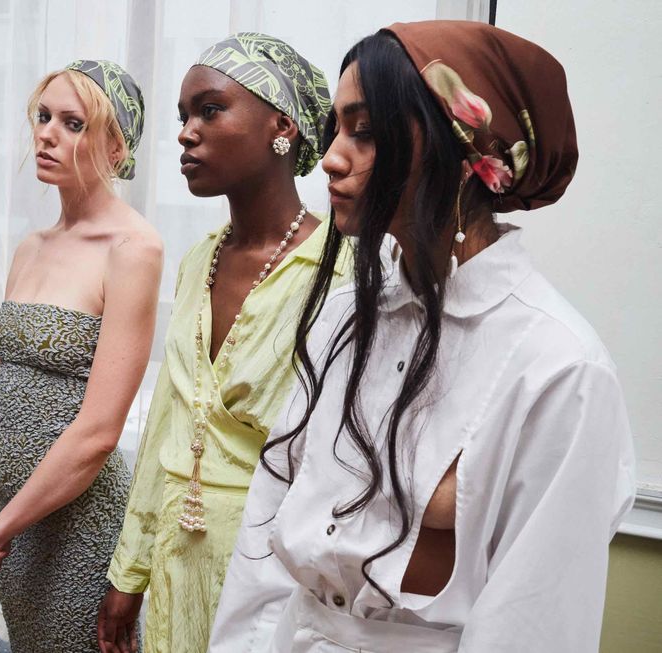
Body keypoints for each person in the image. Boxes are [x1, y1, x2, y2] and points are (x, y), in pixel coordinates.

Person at [209, 21, 635, 653]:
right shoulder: (345, 316)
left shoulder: (560, 368)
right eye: (335, 130)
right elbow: (267, 539)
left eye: (365, 131)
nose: (330, 158)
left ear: (463, 151)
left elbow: (531, 623)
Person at [98, 34, 352, 653]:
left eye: (210, 110)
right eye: (183, 116)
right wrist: (129, 572)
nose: (187, 133)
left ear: (282, 125)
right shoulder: (199, 261)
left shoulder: (342, 269)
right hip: (175, 561)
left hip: (276, 574)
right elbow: (166, 423)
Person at [0, 60, 160, 653]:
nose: (46, 134)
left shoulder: (133, 249)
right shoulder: (30, 248)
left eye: (73, 123)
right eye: (43, 117)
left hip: (80, 530)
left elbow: (98, 432)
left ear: (116, 147)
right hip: (12, 530)